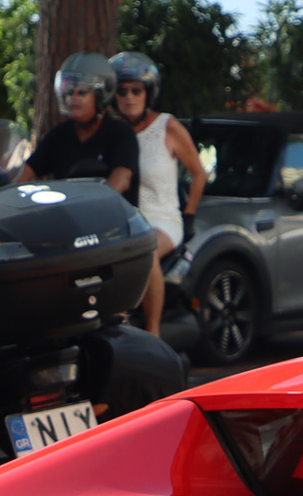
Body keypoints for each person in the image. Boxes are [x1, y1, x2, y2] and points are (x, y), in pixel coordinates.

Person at [110, 50, 205, 337]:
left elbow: (199, 173)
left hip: (162, 220)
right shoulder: (111, 131)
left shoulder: (167, 126)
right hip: (121, 222)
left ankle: (154, 334)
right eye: (122, 91)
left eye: (136, 90)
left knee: (144, 250)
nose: (129, 97)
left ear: (148, 93)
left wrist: (189, 216)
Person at [21, 52, 137, 198]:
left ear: (100, 95)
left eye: (82, 92)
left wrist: (90, 207)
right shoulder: (59, 135)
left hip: (111, 217)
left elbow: (121, 180)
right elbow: (26, 172)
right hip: (68, 217)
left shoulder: (121, 133)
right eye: (69, 92)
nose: (73, 98)